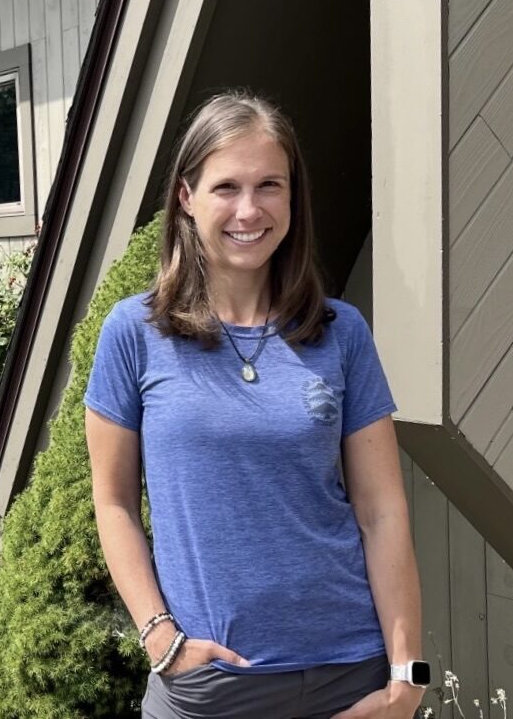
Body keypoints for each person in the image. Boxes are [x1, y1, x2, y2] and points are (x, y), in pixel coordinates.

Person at [83, 91, 427, 719]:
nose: (249, 209)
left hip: (350, 675)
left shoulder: (341, 332)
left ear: (293, 198)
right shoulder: (134, 333)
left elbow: (382, 510)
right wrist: (160, 636)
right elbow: (113, 504)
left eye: (270, 185)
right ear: (186, 197)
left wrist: (408, 676)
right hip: (210, 686)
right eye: (226, 187)